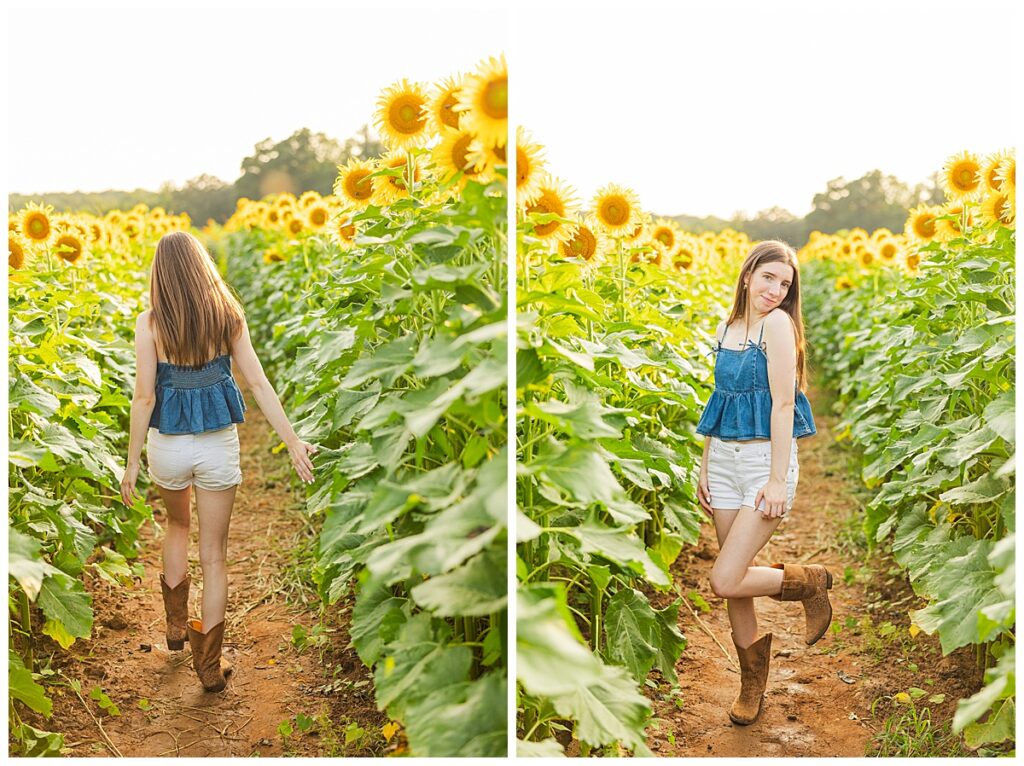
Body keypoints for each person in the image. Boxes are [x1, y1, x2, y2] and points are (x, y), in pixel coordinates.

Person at [119, 230, 317, 692]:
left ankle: (173, 629)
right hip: (216, 448)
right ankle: (208, 667)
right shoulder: (228, 316)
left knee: (177, 528)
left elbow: (144, 397)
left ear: (161, 275)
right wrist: (292, 441)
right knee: (214, 556)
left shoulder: (149, 323)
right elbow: (259, 384)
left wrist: (132, 464)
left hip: (167, 448)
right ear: (202, 266)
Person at [694, 240, 831, 726]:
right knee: (736, 589)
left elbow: (779, 405)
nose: (776, 290)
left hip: (761, 466)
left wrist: (776, 479)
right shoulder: (728, 327)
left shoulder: (777, 325)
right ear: (748, 274)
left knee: (724, 578)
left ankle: (808, 583)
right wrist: (704, 464)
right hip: (725, 463)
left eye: (785, 284)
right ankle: (751, 686)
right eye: (769, 277)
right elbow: (720, 399)